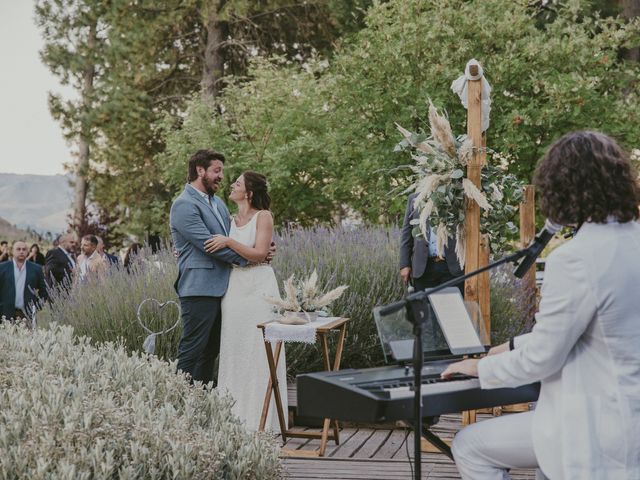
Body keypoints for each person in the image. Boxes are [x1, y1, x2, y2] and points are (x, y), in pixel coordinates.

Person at [442, 131, 640, 480]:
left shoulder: (576, 258)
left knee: (469, 445)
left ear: (562, 188)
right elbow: (598, 333)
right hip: (629, 420)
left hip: (595, 431)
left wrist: (479, 369)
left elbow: (544, 358)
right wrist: (511, 346)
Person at [204, 171, 287, 431]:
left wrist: (229, 241)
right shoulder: (228, 219)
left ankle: (262, 420)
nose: (232, 185)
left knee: (260, 349)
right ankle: (233, 417)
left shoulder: (264, 217)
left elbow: (261, 253)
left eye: (237, 183)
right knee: (234, 346)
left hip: (260, 287)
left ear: (249, 193)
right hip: (235, 288)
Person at [169, 150, 251, 386]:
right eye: (217, 171)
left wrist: (259, 248)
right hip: (199, 289)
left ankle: (201, 402)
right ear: (200, 170)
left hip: (225, 288)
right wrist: (250, 259)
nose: (221, 176)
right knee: (192, 349)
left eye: (221, 172)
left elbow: (231, 237)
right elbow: (210, 245)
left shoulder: (219, 204)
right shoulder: (183, 205)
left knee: (211, 350)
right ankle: (177, 403)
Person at [399, 191, 463, 349]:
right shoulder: (415, 198)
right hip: (423, 268)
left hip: (450, 267)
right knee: (425, 320)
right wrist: (404, 264)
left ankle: (451, 359)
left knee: (451, 317)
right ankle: (429, 360)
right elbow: (407, 233)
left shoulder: (456, 194)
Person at [0, 241, 48, 321]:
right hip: (5, 314)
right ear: (12, 251)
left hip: (27, 314)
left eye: (24, 249)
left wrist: (36, 307)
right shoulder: (2, 268)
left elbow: (44, 291)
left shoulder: (36, 269)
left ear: (27, 251)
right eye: (18, 249)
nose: (21, 251)